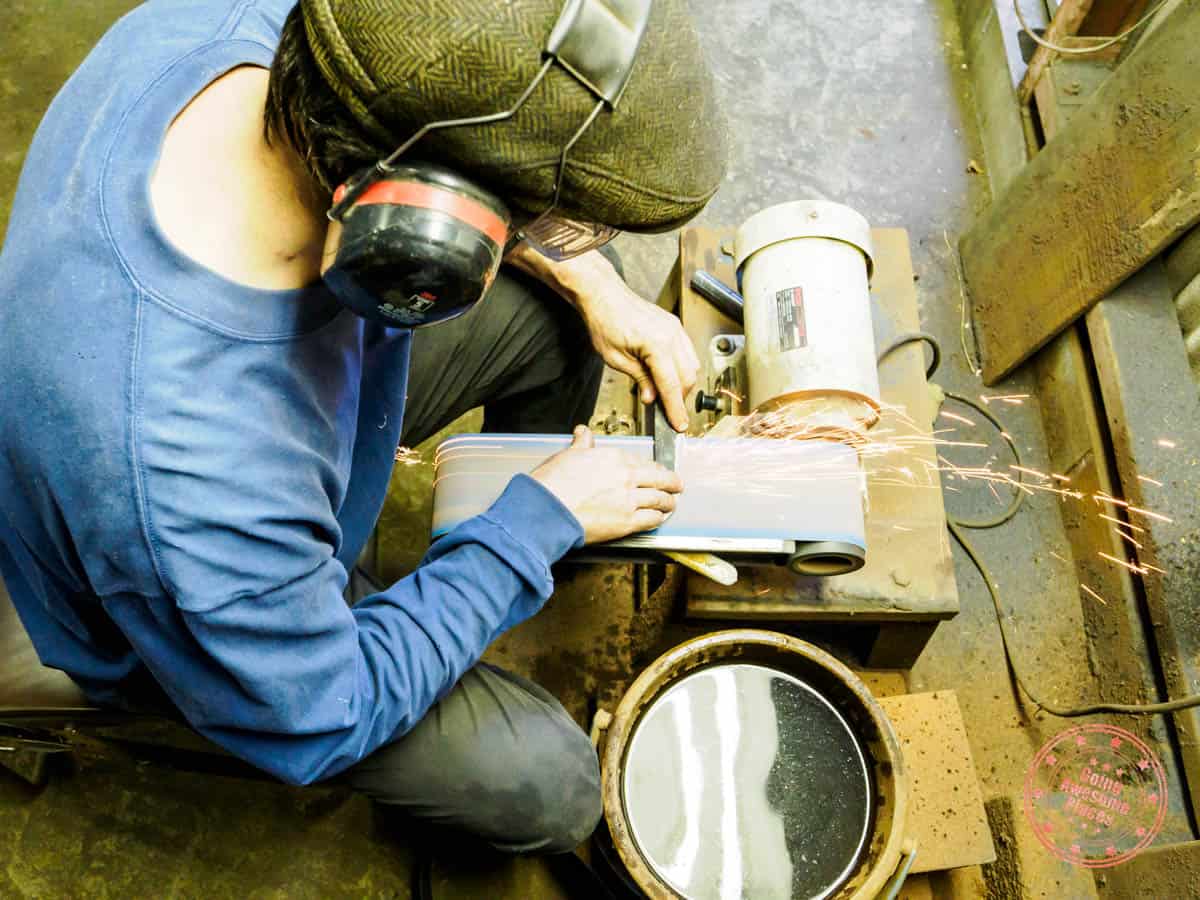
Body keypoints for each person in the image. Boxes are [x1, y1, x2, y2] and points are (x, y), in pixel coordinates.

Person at [0, 0, 724, 853]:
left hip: (280, 428)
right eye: (531, 221)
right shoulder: (193, 484)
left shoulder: (283, 32)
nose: (548, 239)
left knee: (556, 316)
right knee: (549, 790)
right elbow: (324, 715)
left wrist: (595, 283)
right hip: (199, 602)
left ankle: (518, 533)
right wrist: (532, 527)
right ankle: (509, 555)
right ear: (423, 222)